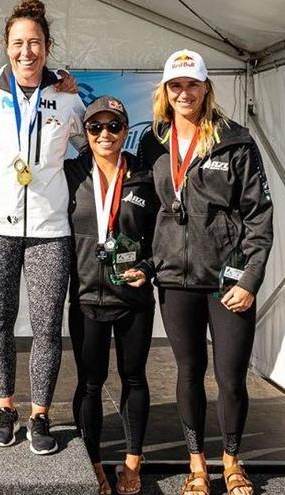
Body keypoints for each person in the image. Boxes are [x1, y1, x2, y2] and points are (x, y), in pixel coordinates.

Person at [137, 49, 273, 495]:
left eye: (192, 84)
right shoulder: (153, 142)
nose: (184, 93)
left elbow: (259, 217)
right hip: (174, 280)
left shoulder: (235, 140)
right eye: (175, 86)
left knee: (231, 378)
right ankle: (198, 467)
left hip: (226, 282)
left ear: (206, 87)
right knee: (188, 373)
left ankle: (233, 463)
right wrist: (142, 262)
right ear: (165, 91)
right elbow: (141, 212)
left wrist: (249, 279)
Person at [0, 0, 86, 456]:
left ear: (48, 47)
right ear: (6, 47)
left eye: (35, 42)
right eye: (18, 43)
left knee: (48, 327)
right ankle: (5, 408)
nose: (26, 51)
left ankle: (40, 415)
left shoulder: (68, 99)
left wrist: (67, 184)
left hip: (51, 230)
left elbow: (92, 149)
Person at [64, 96, 159, 494]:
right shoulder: (69, 172)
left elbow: (165, 234)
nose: (105, 134)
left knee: (133, 378)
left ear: (125, 130)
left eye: (114, 126)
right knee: (89, 382)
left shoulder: (146, 174)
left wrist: (150, 269)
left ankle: (133, 463)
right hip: (86, 296)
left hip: (133, 297)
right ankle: (95, 462)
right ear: (85, 133)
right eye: (96, 127)